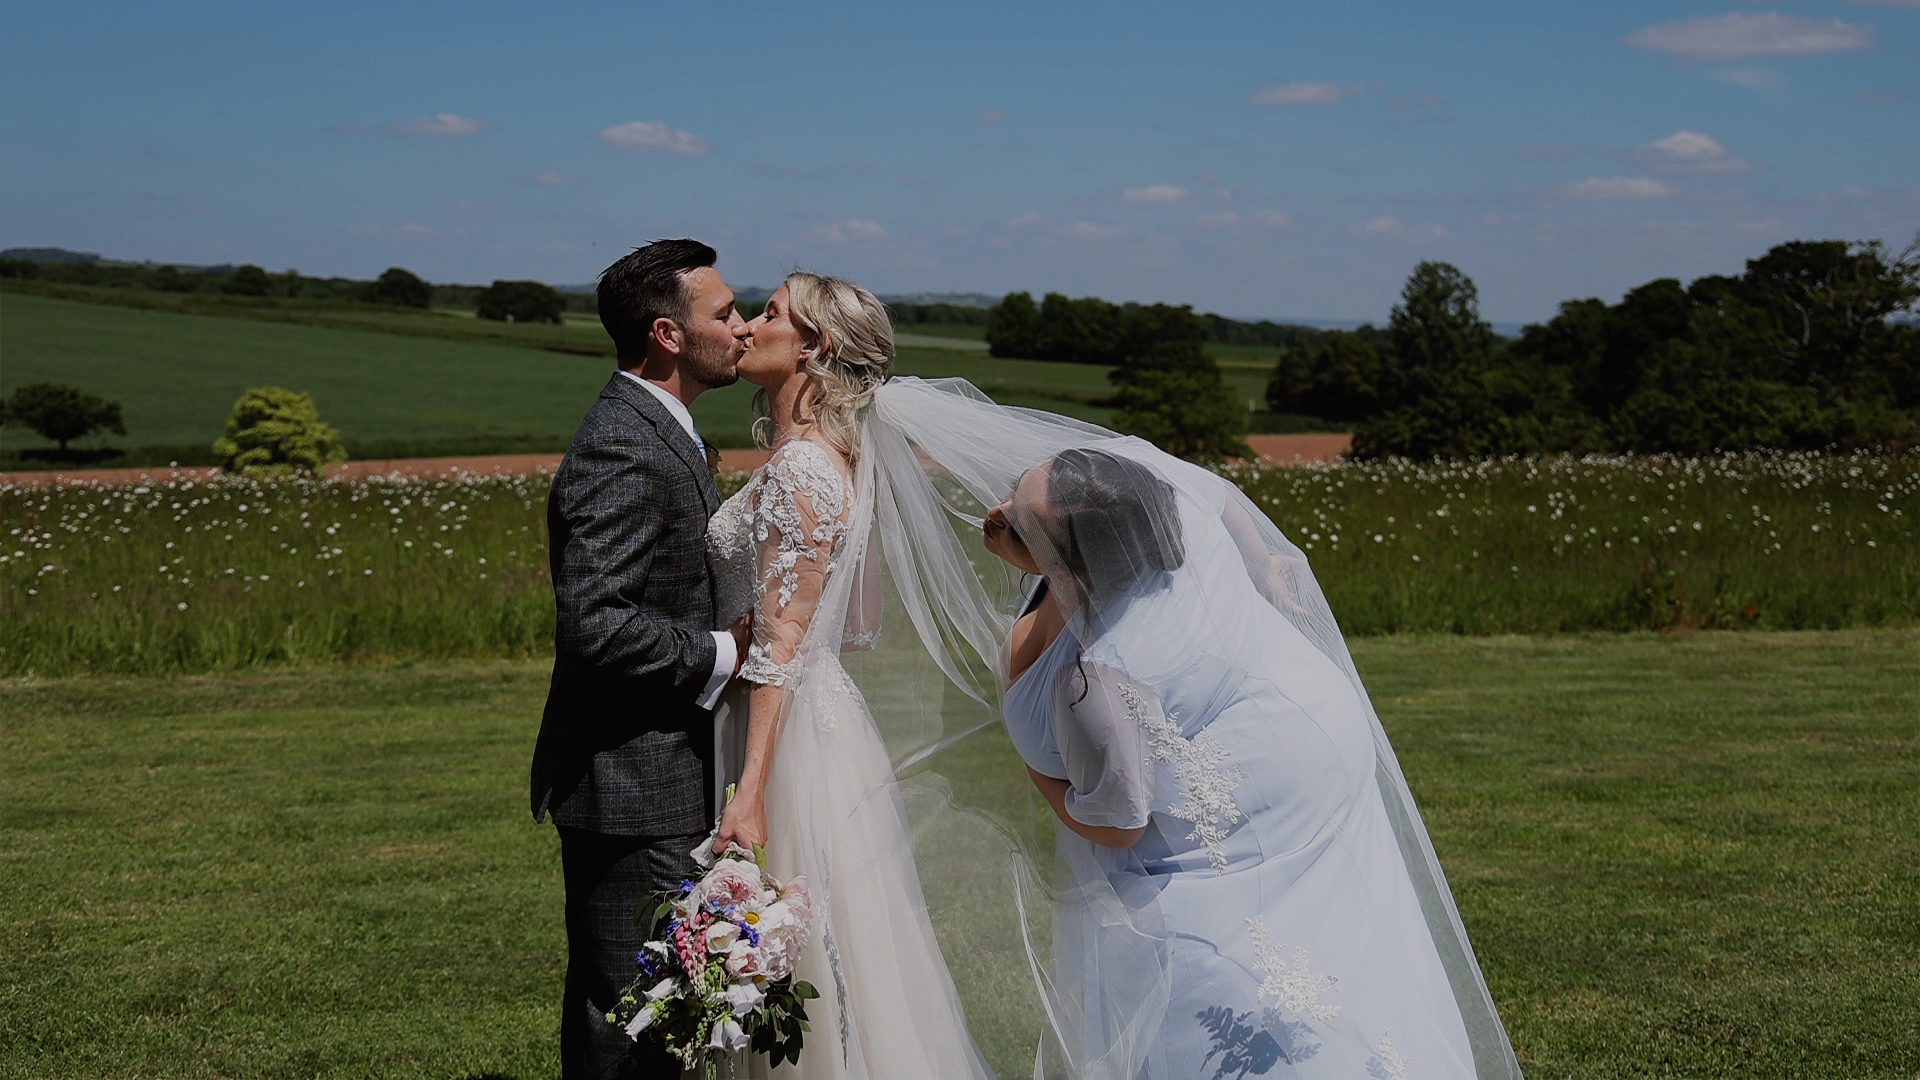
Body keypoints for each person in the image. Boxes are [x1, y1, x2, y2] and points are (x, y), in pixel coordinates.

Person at [856, 378, 1524, 1079]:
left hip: (1280, 762)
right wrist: (1261, 560)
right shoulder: (1137, 498)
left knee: (1224, 948)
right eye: (1013, 492)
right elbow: (1216, 490)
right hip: (1301, 716)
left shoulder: (1105, 676)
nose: (992, 517)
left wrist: (1041, 774)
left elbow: (1118, 824)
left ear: (1076, 561)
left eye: (1020, 524)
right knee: (1315, 924)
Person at [703, 272, 992, 1078]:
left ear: (814, 345)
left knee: (799, 945)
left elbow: (783, 642)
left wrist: (750, 788)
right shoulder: (839, 458)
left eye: (769, 313)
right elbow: (851, 626)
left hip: (784, 730)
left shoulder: (802, 467)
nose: (748, 326)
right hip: (822, 713)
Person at [529, 238, 754, 1080]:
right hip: (630, 784)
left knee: (651, 998)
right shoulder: (622, 444)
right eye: (724, 312)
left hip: (661, 772)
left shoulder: (666, 430)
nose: (742, 325)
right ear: (668, 333)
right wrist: (724, 650)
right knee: (636, 1006)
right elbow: (594, 620)